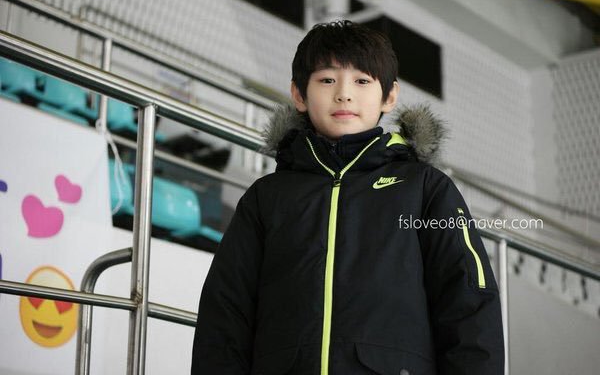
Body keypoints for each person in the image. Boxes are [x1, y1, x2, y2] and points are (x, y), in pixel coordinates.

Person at [191, 20, 504, 375]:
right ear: (299, 95)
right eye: (327, 80)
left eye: (362, 81)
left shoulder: (425, 189)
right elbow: (225, 312)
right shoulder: (267, 197)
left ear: (389, 96)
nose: (344, 94)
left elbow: (469, 300)